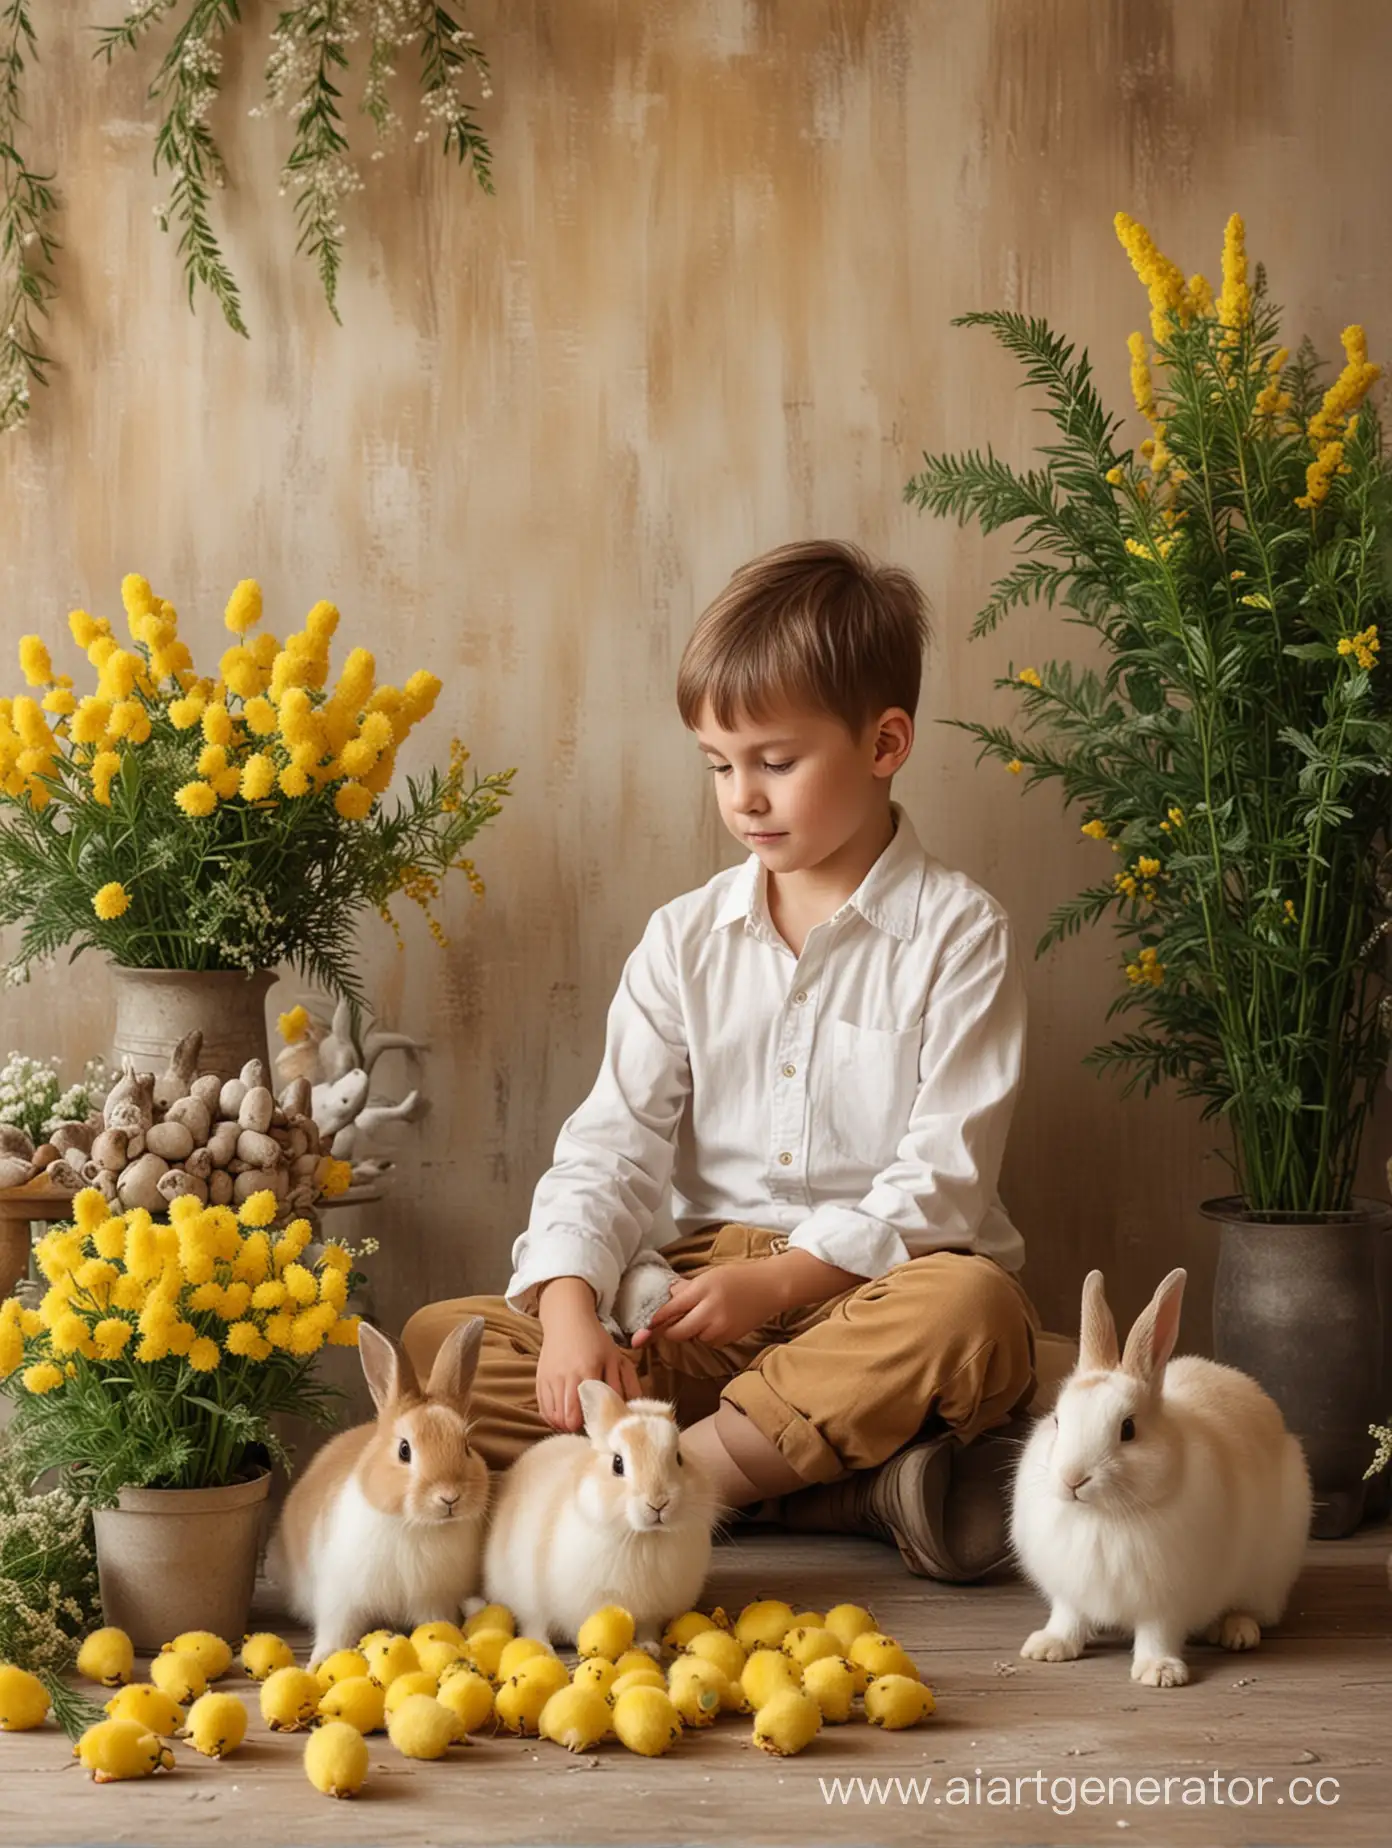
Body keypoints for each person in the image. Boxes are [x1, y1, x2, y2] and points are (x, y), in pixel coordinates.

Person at [404, 539, 1044, 1579]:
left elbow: (945, 1184)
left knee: (974, 1316)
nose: (742, 797)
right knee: (446, 1347)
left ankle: (666, 1481)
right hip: (692, 1306)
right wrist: (571, 1312)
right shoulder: (683, 939)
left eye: (776, 763)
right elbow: (611, 1146)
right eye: (717, 765)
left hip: (869, 1296)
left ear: (885, 743)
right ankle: (842, 1491)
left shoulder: (958, 934)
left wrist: (788, 1280)